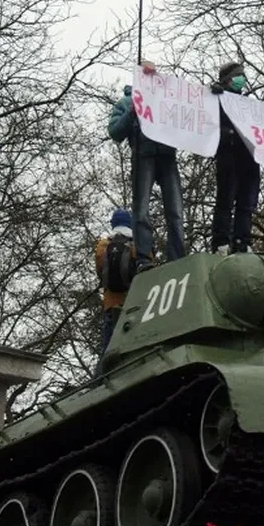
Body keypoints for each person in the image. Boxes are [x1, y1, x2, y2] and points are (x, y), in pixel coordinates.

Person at [107, 61, 185, 271]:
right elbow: (115, 131)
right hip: (143, 156)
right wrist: (132, 112)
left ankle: (178, 259)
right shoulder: (126, 102)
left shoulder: (168, 99)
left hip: (168, 156)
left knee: (176, 211)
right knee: (141, 210)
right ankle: (144, 259)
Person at [210, 62, 262, 254]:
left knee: (247, 204)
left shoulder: (248, 106)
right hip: (229, 156)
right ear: (228, 79)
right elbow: (208, 124)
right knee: (226, 200)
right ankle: (221, 242)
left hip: (249, 158)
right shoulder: (215, 99)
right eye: (239, 76)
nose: (243, 80)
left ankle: (243, 241)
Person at [95, 208, 137, 367]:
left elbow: (101, 272)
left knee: (108, 348)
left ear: (113, 224)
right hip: (133, 302)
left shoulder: (103, 245)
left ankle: (99, 380)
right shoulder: (138, 244)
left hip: (111, 304)